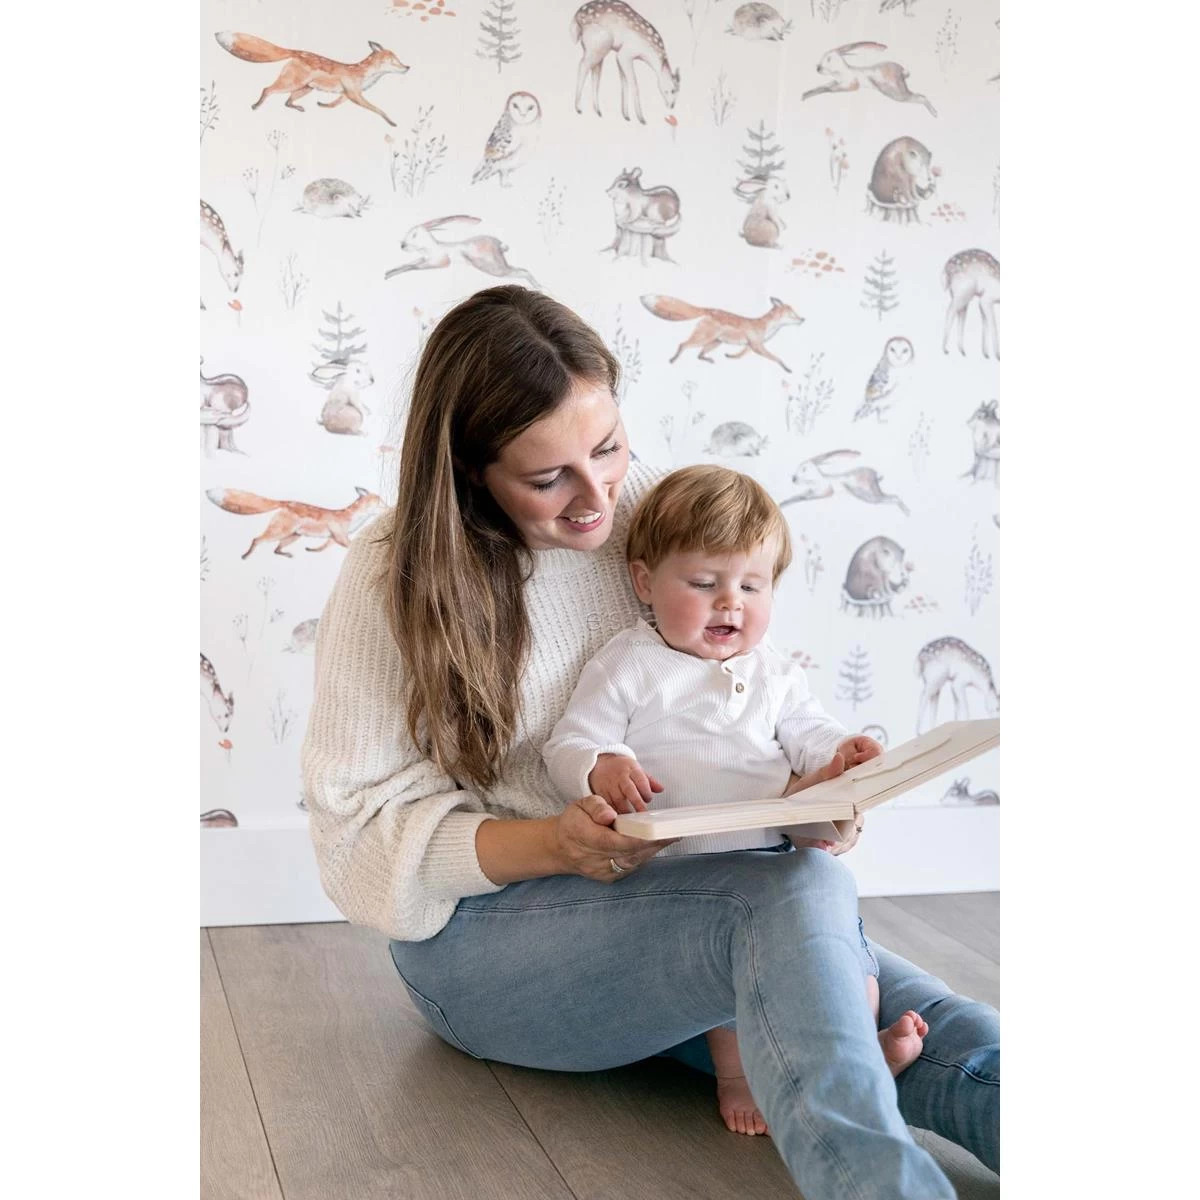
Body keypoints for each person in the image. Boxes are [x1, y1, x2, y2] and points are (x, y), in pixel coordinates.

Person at [301, 285, 999, 1199]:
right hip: (482, 944)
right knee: (792, 909)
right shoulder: (392, 575)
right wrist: (557, 843)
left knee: (947, 1030)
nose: (598, 499)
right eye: (549, 479)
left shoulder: (652, 516)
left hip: (696, 895)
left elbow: (742, 692)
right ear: (472, 472)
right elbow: (356, 840)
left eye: (608, 447)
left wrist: (815, 793)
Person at [541, 464, 930, 1137]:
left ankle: (857, 1054)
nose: (731, 604)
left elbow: (809, 731)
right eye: (704, 584)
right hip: (684, 874)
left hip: (774, 855)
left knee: (847, 964)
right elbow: (570, 740)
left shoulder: (775, 670)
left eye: (752, 585)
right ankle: (741, 1077)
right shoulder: (630, 664)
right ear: (645, 583)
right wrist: (603, 765)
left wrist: (843, 754)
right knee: (731, 983)